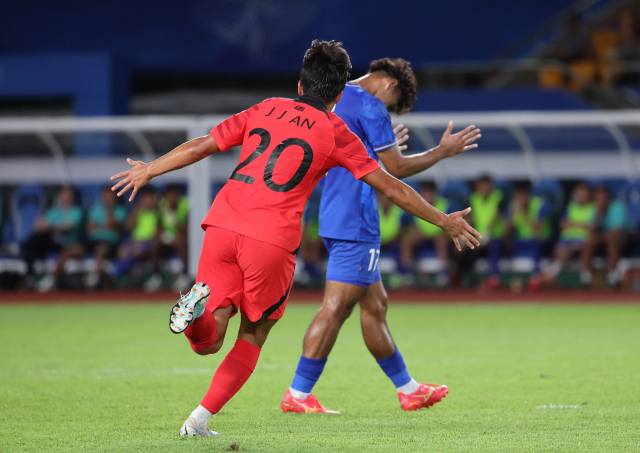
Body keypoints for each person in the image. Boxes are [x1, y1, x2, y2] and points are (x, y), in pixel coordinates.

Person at [110, 40, 481, 436]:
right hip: (269, 240)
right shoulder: (336, 130)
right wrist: (443, 220)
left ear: (301, 85)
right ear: (338, 96)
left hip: (221, 226)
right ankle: (209, 415)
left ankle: (193, 326)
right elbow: (390, 186)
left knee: (209, 338)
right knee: (252, 336)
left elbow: (203, 145)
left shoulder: (264, 107)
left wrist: (150, 169)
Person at [281, 57, 481, 414]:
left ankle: (409, 390)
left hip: (333, 214)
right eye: (393, 105)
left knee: (374, 306)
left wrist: (381, 143)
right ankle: (298, 394)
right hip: (357, 221)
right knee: (335, 308)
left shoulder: (337, 95)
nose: (388, 110)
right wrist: (442, 151)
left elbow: (354, 152)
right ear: (390, 84)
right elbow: (397, 169)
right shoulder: (372, 106)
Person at [22, 186, 84, 292]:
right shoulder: (54, 211)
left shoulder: (76, 211)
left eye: (69, 196)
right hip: (49, 242)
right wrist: (43, 226)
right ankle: (30, 276)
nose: (66, 198)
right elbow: (39, 225)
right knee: (35, 243)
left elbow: (69, 226)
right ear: (60, 196)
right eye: (64, 195)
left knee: (41, 238)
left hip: (64, 242)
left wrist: (51, 227)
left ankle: (20, 248)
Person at [543, 182, 595, 285]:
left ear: (589, 194)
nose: (580, 195)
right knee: (561, 249)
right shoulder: (570, 207)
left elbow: (592, 227)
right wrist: (582, 225)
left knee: (575, 247)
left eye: (583, 193)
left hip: (583, 240)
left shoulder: (592, 208)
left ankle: (552, 272)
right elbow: (563, 225)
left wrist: (572, 224)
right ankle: (552, 274)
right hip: (566, 240)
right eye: (578, 193)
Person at [503, 181, 552, 291]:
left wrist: (524, 213)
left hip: (540, 240)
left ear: (528, 195)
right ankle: (494, 279)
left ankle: (535, 278)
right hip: (521, 241)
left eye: (522, 195)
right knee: (498, 244)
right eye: (517, 195)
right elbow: (506, 231)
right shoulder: (513, 206)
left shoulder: (539, 204)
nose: (520, 198)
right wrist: (511, 216)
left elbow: (537, 229)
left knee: (534, 244)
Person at [401, 181, 451, 286]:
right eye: (425, 192)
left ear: (434, 193)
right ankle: (407, 274)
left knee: (441, 239)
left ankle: (443, 274)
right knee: (407, 240)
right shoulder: (414, 205)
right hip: (421, 238)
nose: (427, 195)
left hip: (439, 236)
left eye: (430, 192)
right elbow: (408, 225)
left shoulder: (445, 205)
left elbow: (451, 225)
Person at [582, 185, 633, 286]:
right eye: (598, 198)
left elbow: (617, 234)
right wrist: (598, 215)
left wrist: (600, 237)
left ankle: (614, 275)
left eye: (603, 198)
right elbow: (590, 232)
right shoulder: (593, 209)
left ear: (608, 198)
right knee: (589, 241)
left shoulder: (617, 208)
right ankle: (586, 276)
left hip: (625, 242)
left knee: (611, 241)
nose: (601, 201)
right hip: (603, 240)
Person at [463, 175, 506, 289]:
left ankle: (494, 278)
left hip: (495, 236)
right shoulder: (473, 198)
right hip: (479, 238)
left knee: (495, 247)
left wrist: (487, 234)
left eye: (486, 185)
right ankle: (469, 281)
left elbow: (498, 215)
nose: (484, 188)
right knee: (466, 250)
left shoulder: (498, 196)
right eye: (481, 185)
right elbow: (469, 218)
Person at [145, 185, 190, 292]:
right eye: (168, 196)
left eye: (173, 195)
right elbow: (159, 225)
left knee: (181, 242)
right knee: (155, 242)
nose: (171, 198)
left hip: (181, 238)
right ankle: (157, 276)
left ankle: (184, 276)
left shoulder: (185, 205)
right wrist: (161, 235)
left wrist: (172, 214)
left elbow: (184, 231)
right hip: (168, 238)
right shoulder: (162, 205)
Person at [85, 185, 128, 289]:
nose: (107, 197)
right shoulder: (95, 209)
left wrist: (109, 211)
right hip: (94, 240)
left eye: (110, 195)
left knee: (101, 248)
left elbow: (114, 226)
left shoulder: (120, 210)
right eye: (105, 195)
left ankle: (95, 275)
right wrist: (105, 226)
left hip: (111, 243)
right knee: (76, 248)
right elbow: (90, 227)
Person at [113, 187, 159, 279]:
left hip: (148, 242)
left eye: (148, 198)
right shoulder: (139, 211)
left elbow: (157, 233)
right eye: (144, 198)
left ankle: (119, 274)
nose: (146, 201)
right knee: (122, 251)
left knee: (136, 250)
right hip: (133, 240)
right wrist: (137, 210)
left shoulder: (158, 213)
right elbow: (129, 227)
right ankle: (117, 274)